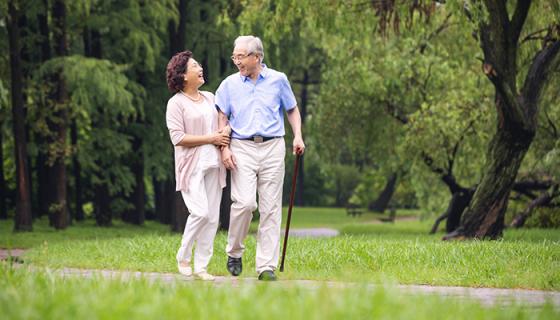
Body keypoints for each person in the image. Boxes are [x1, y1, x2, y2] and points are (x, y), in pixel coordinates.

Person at [216, 35, 305, 281]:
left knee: (270, 208)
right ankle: (234, 251)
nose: (237, 61)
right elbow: (222, 118)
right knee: (245, 203)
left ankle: (266, 266)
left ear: (257, 57)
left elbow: (292, 109)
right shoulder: (229, 85)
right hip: (241, 147)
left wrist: (297, 136)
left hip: (273, 146)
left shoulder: (278, 80)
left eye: (241, 56)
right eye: (234, 56)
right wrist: (224, 149)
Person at [165, 51, 230, 281]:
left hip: (213, 163)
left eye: (199, 64)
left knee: (212, 218)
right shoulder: (176, 103)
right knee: (200, 212)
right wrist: (211, 138)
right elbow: (178, 138)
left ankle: (201, 266)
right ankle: (183, 255)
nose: (200, 68)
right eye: (194, 66)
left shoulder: (211, 98)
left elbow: (226, 121)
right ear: (183, 75)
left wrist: (224, 133)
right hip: (190, 166)